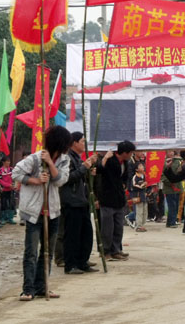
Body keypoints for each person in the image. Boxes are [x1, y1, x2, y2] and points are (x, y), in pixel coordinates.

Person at [12, 125, 72, 301]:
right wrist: (36, 180)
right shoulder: (35, 158)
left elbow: (60, 180)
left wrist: (51, 163)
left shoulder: (64, 160)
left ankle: (42, 286)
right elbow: (16, 173)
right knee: (31, 252)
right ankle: (28, 289)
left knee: (48, 252)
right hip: (34, 211)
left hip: (52, 211)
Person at [60, 132, 99, 274]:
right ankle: (70, 264)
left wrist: (88, 171)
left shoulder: (77, 158)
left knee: (86, 233)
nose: (84, 144)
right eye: (82, 141)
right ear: (74, 143)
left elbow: (81, 177)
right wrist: (84, 168)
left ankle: (82, 261)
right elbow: (67, 178)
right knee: (72, 235)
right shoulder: (67, 158)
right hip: (72, 201)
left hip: (82, 200)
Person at [97, 140, 135, 262]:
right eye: (130, 153)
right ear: (124, 152)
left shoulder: (126, 162)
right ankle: (105, 251)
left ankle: (116, 250)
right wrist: (104, 158)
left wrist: (124, 185)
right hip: (107, 199)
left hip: (119, 199)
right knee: (107, 228)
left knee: (119, 227)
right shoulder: (110, 159)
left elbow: (125, 177)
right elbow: (98, 170)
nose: (131, 155)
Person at [162, 150, 184, 228]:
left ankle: (171, 221)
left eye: (172, 151)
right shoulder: (163, 162)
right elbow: (162, 176)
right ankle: (171, 222)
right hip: (169, 188)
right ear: (166, 153)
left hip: (177, 187)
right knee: (172, 205)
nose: (171, 153)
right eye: (169, 151)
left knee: (176, 205)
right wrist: (170, 182)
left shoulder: (178, 161)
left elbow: (181, 173)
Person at [131, 162, 149, 232]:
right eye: (140, 166)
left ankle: (142, 225)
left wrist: (148, 191)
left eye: (142, 165)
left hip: (144, 196)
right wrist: (142, 185)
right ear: (136, 169)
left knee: (145, 212)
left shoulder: (145, 175)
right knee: (139, 212)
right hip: (138, 196)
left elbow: (148, 184)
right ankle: (138, 226)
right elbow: (134, 185)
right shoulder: (135, 177)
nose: (142, 167)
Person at [0, 156, 16, 224]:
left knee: (11, 203)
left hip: (11, 189)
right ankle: (3, 218)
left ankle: (10, 218)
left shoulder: (11, 169)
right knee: (3, 203)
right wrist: (8, 185)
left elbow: (14, 177)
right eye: (7, 161)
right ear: (3, 162)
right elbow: (0, 181)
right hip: (3, 190)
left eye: (9, 161)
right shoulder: (0, 170)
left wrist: (13, 185)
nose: (9, 162)